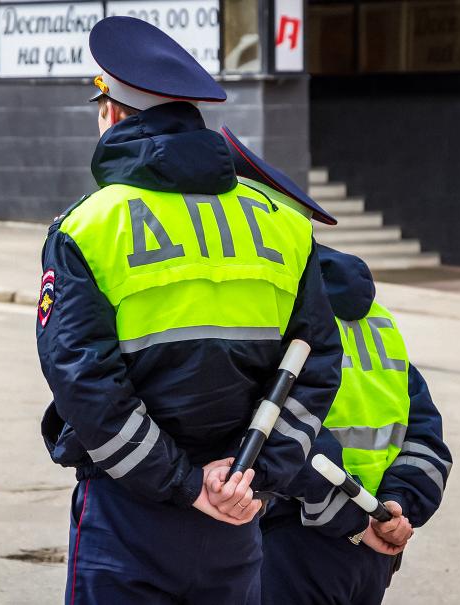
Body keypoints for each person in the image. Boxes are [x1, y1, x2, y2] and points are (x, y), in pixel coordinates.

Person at [36, 17, 343, 604]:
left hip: (128, 514)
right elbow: (318, 364)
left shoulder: (89, 226)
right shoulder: (282, 224)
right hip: (238, 508)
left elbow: (83, 379)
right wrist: (253, 473)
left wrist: (183, 483)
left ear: (113, 114)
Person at [223, 126, 453, 605]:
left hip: (296, 541)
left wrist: (355, 518)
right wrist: (397, 508)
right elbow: (426, 435)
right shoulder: (376, 316)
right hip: (374, 546)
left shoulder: (275, 310)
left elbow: (275, 432)